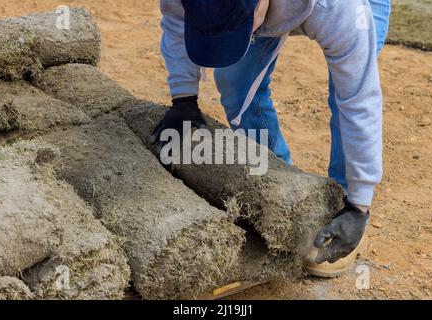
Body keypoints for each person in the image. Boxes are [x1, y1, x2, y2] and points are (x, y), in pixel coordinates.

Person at [153, 0, 391, 276]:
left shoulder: (339, 9)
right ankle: (281, 187)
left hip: (342, 7)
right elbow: (175, 20)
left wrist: (358, 206)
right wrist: (184, 98)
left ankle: (342, 208)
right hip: (274, 10)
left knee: (344, 97)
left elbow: (359, 100)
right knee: (236, 84)